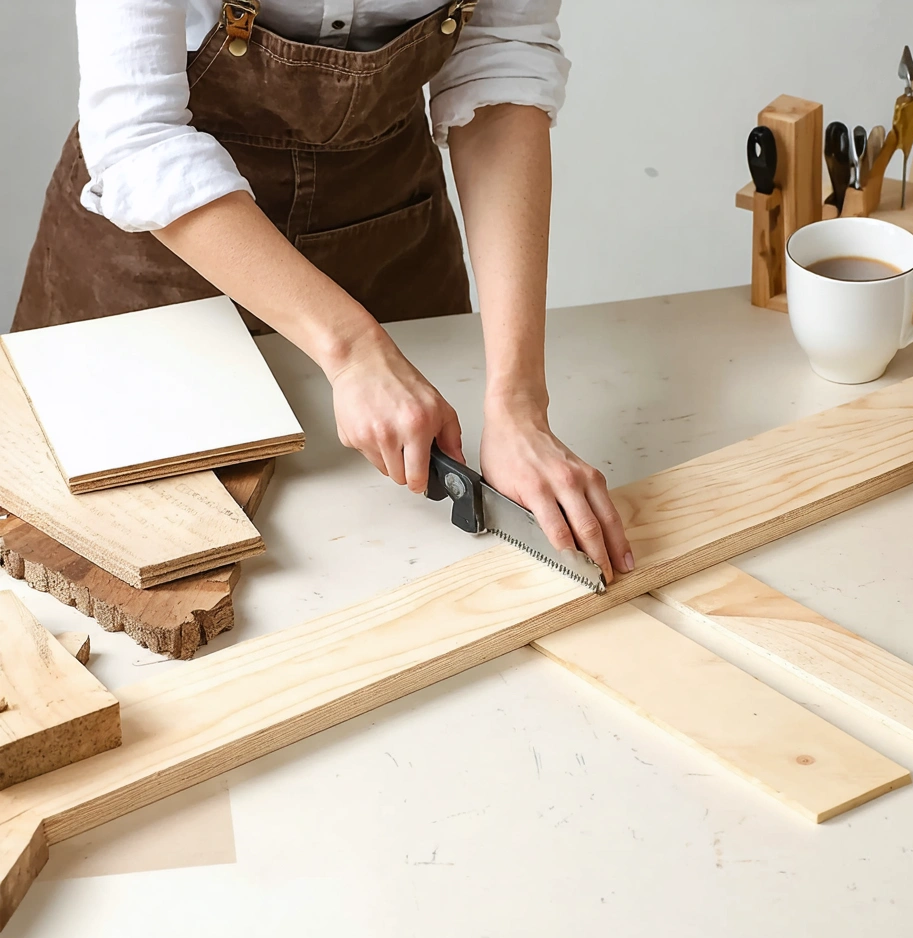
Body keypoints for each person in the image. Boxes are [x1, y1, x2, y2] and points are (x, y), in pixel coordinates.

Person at [14, 0, 634, 583]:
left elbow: (502, 61)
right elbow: (138, 138)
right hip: (159, 237)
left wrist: (518, 402)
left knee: (382, 554)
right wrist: (356, 351)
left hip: (386, 223)